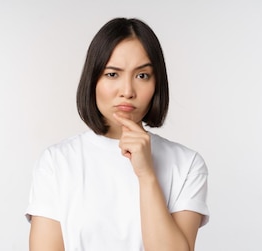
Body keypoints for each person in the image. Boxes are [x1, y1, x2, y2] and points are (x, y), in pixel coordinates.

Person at [25, 17, 209, 251]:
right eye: (112, 74)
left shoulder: (187, 164)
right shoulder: (56, 162)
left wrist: (147, 175)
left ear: (157, 83)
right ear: (93, 80)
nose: (127, 91)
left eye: (142, 75)